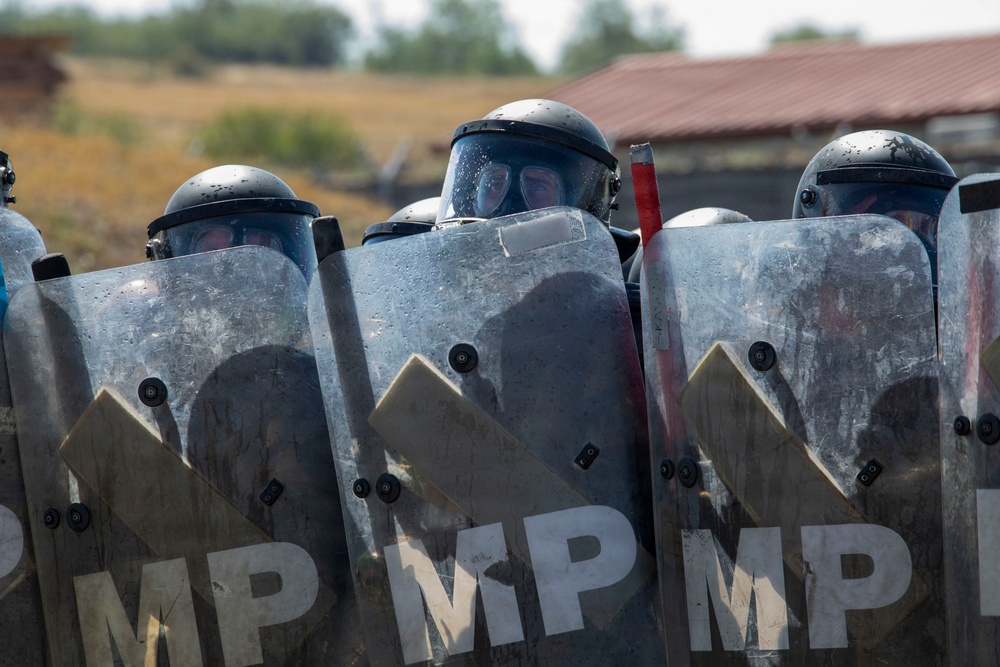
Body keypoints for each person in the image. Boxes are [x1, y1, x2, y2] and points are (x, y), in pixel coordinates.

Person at [792, 129, 958, 288]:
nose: (914, 248)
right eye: (897, 223)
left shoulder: (950, 313)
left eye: (931, 229)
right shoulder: (790, 309)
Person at [437, 98, 623, 225]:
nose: (510, 206)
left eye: (537, 186)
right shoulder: (449, 279)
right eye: (494, 184)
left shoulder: (596, 283)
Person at [145, 164, 320, 279]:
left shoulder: (321, 330)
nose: (235, 272)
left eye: (259, 254)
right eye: (212, 253)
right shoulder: (154, 330)